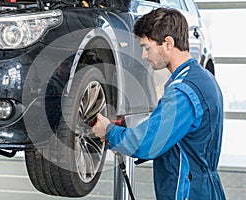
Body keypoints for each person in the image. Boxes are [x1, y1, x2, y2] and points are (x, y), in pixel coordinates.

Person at [91, 7, 226, 200]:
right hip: (201, 187)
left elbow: (149, 143)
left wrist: (110, 132)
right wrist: (124, 134)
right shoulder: (200, 78)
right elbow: (173, 136)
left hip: (188, 192)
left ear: (168, 43)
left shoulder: (184, 92)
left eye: (147, 48)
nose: (144, 56)